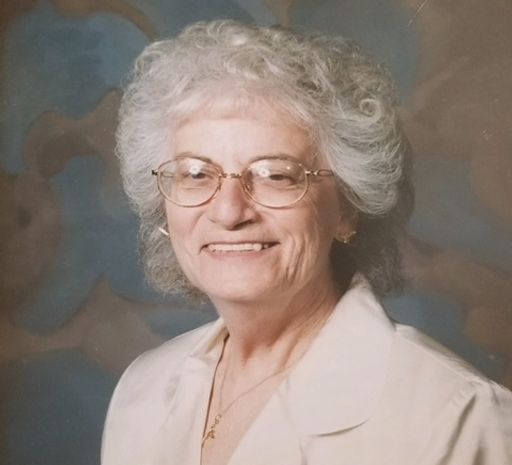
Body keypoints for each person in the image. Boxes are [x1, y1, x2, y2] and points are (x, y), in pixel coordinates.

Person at [101, 20, 511, 465]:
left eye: (276, 175)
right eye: (196, 174)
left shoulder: (455, 417)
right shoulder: (141, 391)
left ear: (347, 207)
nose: (229, 212)